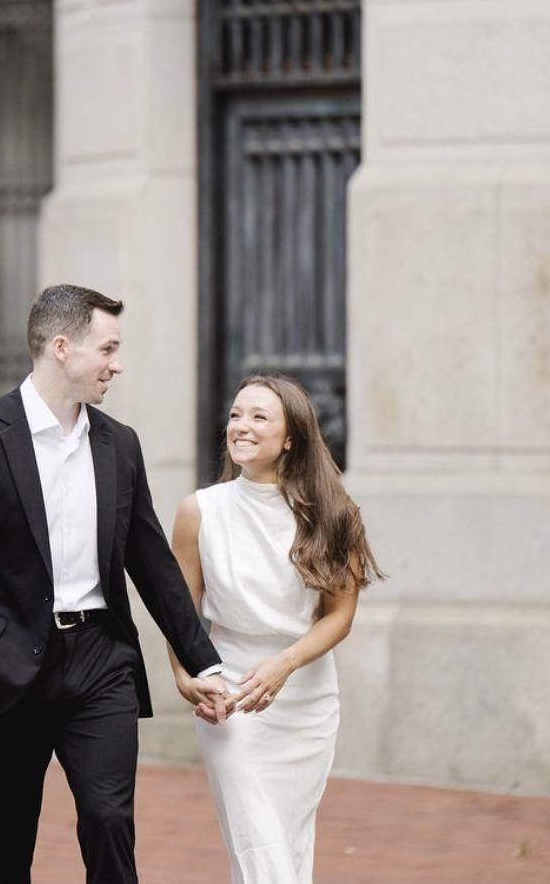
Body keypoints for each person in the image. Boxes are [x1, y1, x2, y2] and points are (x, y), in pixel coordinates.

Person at [0, 284, 231, 884]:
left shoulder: (119, 444)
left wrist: (204, 663)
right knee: (10, 834)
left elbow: (152, 562)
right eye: (107, 349)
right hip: (8, 666)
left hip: (101, 659)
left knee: (109, 820)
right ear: (62, 347)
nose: (117, 364)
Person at [169, 374, 383, 884]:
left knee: (287, 840)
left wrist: (285, 664)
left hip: (306, 698)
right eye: (235, 415)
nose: (240, 426)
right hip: (229, 695)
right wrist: (185, 676)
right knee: (258, 839)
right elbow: (181, 612)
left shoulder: (335, 514)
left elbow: (339, 615)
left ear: (291, 438)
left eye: (259, 417)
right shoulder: (199, 511)